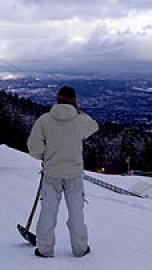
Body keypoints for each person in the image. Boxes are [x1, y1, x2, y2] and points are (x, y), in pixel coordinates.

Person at [27, 86, 99, 258]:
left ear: (57, 99)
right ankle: (80, 248)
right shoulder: (81, 121)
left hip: (51, 173)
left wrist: (45, 156)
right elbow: (94, 126)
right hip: (74, 174)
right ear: (74, 100)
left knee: (48, 212)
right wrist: (78, 110)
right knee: (76, 212)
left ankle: (45, 249)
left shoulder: (44, 120)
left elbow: (34, 148)